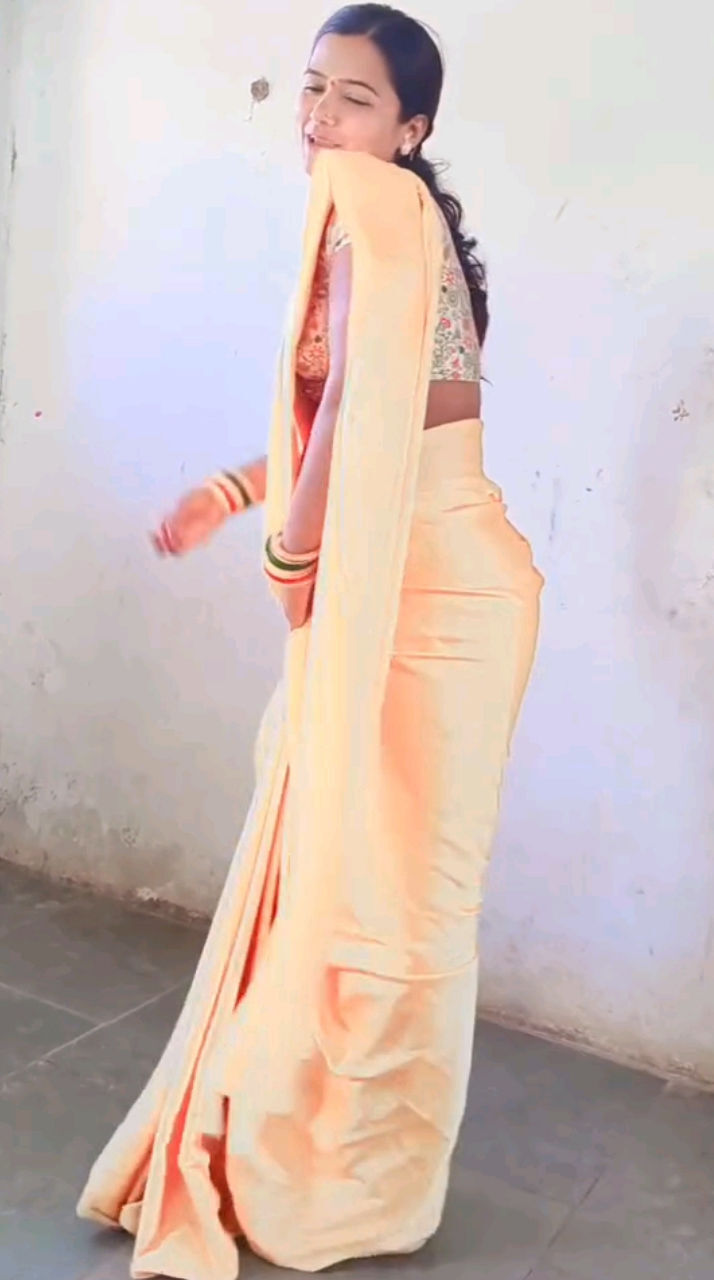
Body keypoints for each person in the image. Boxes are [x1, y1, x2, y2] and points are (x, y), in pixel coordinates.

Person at [77, 6, 544, 1278]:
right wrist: (237, 494)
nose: (320, 118)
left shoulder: (371, 212)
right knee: (377, 882)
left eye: (353, 98)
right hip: (432, 571)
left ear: (412, 129)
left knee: (393, 891)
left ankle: (344, 1170)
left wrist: (289, 554)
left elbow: (347, 402)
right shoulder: (399, 223)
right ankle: (346, 1165)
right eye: (311, 89)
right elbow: (366, 418)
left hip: (440, 593)